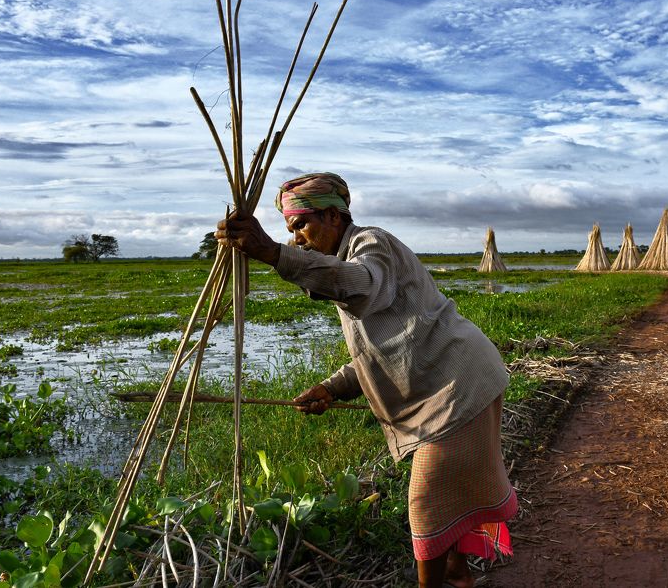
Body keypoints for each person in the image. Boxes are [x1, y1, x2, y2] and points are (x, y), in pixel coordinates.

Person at [215, 172, 517, 588]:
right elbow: (383, 351)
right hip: (447, 386)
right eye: (290, 232)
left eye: (301, 225)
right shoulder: (344, 259)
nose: (297, 239)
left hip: (458, 386)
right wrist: (332, 387)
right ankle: (458, 576)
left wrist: (271, 253)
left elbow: (360, 284)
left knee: (426, 505)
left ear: (333, 216)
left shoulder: (369, 244)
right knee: (445, 500)